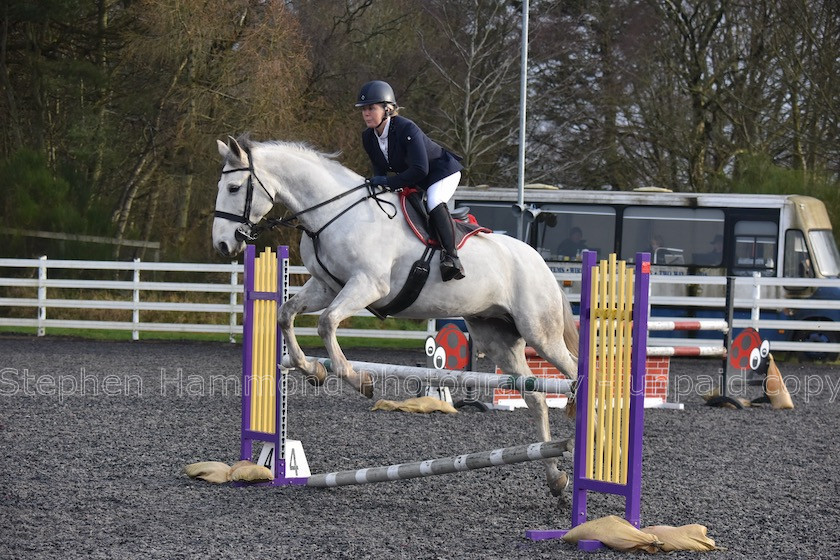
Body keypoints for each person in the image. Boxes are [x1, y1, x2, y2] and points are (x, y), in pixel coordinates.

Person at [356, 80, 466, 281]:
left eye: (371, 108)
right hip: (416, 178)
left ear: (387, 109)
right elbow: (380, 172)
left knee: (434, 202)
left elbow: (420, 169)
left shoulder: (407, 129)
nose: (366, 113)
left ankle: (452, 258)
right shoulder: (368, 137)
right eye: (363, 109)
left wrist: (388, 183)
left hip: (441, 172)